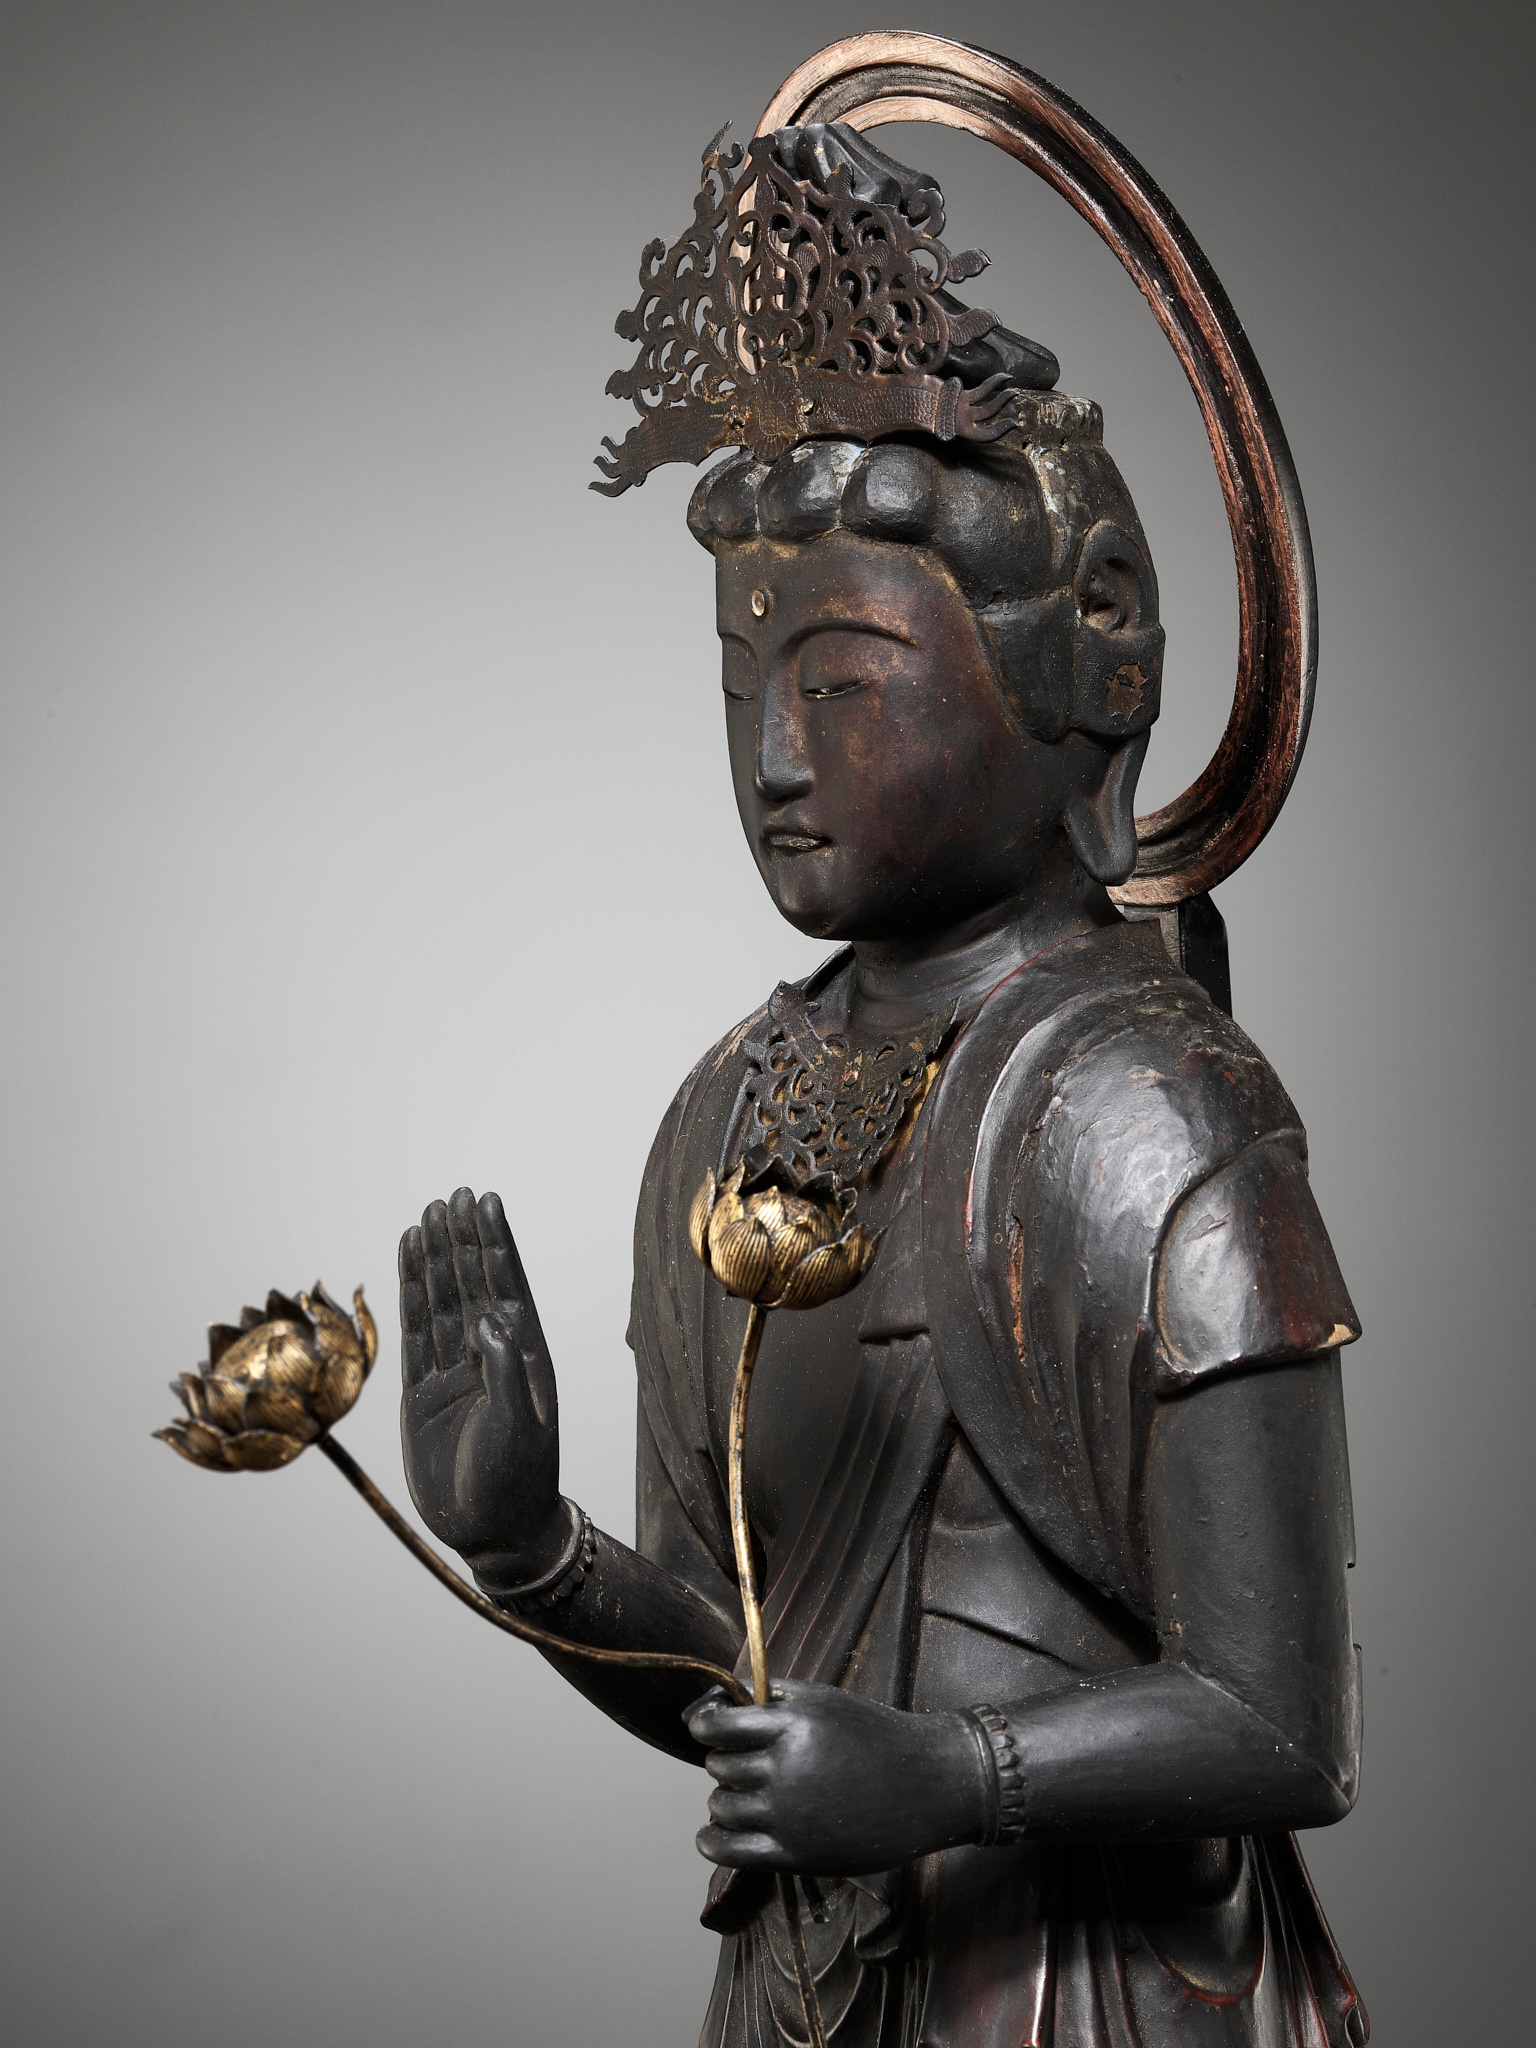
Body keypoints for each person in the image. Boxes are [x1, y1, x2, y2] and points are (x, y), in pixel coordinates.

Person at [398, 126, 1368, 2048]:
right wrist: (534, 1551)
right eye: (740, 683)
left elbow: (1281, 1718)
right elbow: (746, 1675)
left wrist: (952, 1779)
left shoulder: (1156, 1112)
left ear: (1071, 675)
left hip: (1091, 1989)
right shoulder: (731, 1110)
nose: (775, 755)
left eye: (840, 682)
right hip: (815, 1990)